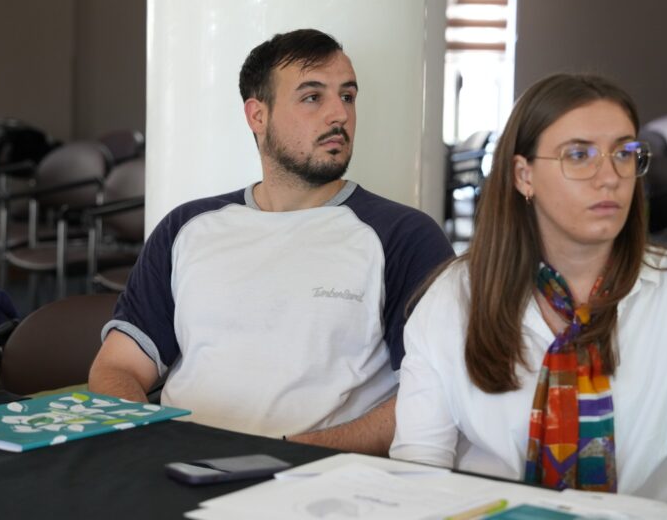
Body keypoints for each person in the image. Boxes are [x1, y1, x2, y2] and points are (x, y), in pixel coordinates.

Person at [390, 74, 667, 518]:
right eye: (579, 155)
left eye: (625, 153)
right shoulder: (452, 301)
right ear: (523, 175)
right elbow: (420, 462)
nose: (610, 177)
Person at [88, 29, 453, 455]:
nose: (339, 114)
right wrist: (149, 443)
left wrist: (288, 455)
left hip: (314, 483)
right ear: (257, 116)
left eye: (348, 97)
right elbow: (116, 367)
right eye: (313, 97)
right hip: (176, 466)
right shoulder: (187, 227)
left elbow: (431, 397)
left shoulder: (403, 236)